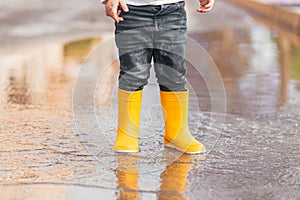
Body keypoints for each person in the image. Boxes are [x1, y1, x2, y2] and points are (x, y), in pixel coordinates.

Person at [102, 0, 215, 154]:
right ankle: (127, 133)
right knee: (133, 74)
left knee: (173, 73)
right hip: (130, 11)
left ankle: (176, 133)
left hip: (173, 12)